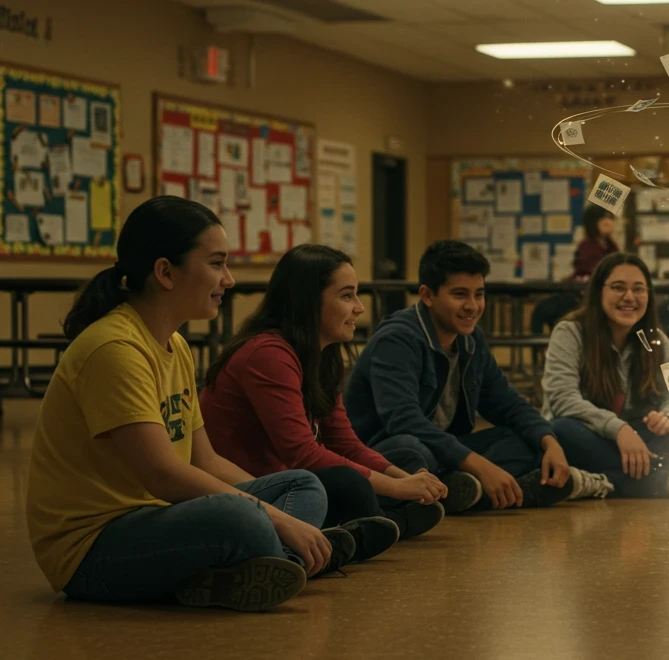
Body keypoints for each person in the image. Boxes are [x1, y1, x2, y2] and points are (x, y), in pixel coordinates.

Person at [26, 196, 342, 612]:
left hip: (158, 520)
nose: (228, 279)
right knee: (241, 518)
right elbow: (163, 475)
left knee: (302, 484)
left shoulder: (174, 344)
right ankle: (288, 558)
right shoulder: (114, 348)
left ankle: (253, 568)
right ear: (165, 272)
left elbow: (204, 460)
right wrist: (277, 519)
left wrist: (273, 505)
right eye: (217, 263)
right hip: (92, 552)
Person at [202, 244, 450, 558]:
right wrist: (399, 489)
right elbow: (303, 455)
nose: (359, 308)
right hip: (262, 491)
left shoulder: (320, 354)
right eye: (347, 296)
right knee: (348, 482)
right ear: (308, 302)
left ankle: (375, 527)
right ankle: (381, 526)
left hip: (296, 481)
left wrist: (405, 478)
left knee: (404, 457)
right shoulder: (267, 354)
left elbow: (345, 443)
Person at [344, 240, 603, 514]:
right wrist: (479, 465)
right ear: (428, 295)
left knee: (527, 442)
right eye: (459, 294)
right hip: (383, 455)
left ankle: (462, 493)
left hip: (444, 453)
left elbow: (508, 403)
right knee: (414, 451)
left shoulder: (471, 339)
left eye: (479, 294)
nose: (472, 306)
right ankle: (478, 492)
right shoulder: (397, 339)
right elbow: (403, 421)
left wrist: (550, 443)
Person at [543, 253, 669, 498]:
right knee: (562, 430)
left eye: (638, 289)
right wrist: (619, 430)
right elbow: (563, 400)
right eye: (618, 288)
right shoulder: (569, 332)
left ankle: (604, 481)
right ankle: (659, 481)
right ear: (598, 291)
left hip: (640, 439)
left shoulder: (657, 339)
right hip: (592, 435)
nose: (629, 297)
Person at [531, 203, 619, 334]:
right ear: (593, 222)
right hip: (580, 295)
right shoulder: (587, 245)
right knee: (542, 309)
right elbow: (587, 270)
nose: (609, 222)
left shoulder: (611, 246)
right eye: (604, 218)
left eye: (611, 218)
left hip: (596, 297)